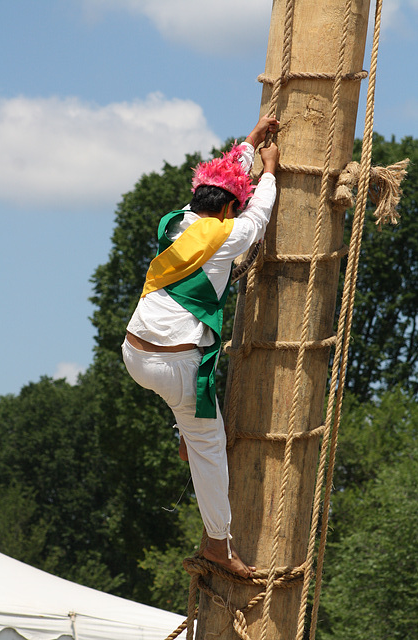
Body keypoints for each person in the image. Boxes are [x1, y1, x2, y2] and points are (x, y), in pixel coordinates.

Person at [122, 115, 279, 578]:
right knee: (209, 446)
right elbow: (261, 212)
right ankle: (217, 543)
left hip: (134, 353)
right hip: (176, 368)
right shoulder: (231, 236)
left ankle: (183, 432)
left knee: (189, 405)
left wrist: (250, 141)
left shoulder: (176, 224)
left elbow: (223, 178)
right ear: (230, 210)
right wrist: (269, 171)